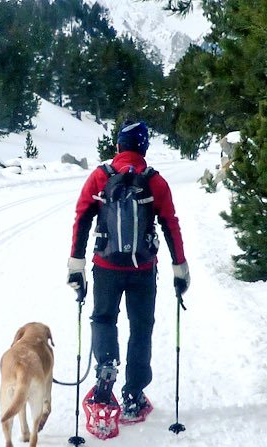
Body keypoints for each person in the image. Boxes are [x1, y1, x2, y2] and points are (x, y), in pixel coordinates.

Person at [67, 120, 189, 422]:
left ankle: (106, 369)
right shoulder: (155, 182)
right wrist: (179, 268)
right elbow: (170, 224)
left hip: (106, 267)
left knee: (104, 318)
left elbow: (82, 218)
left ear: (118, 146)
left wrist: (76, 266)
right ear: (144, 148)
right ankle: (134, 394)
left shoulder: (100, 176)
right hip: (143, 268)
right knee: (141, 326)